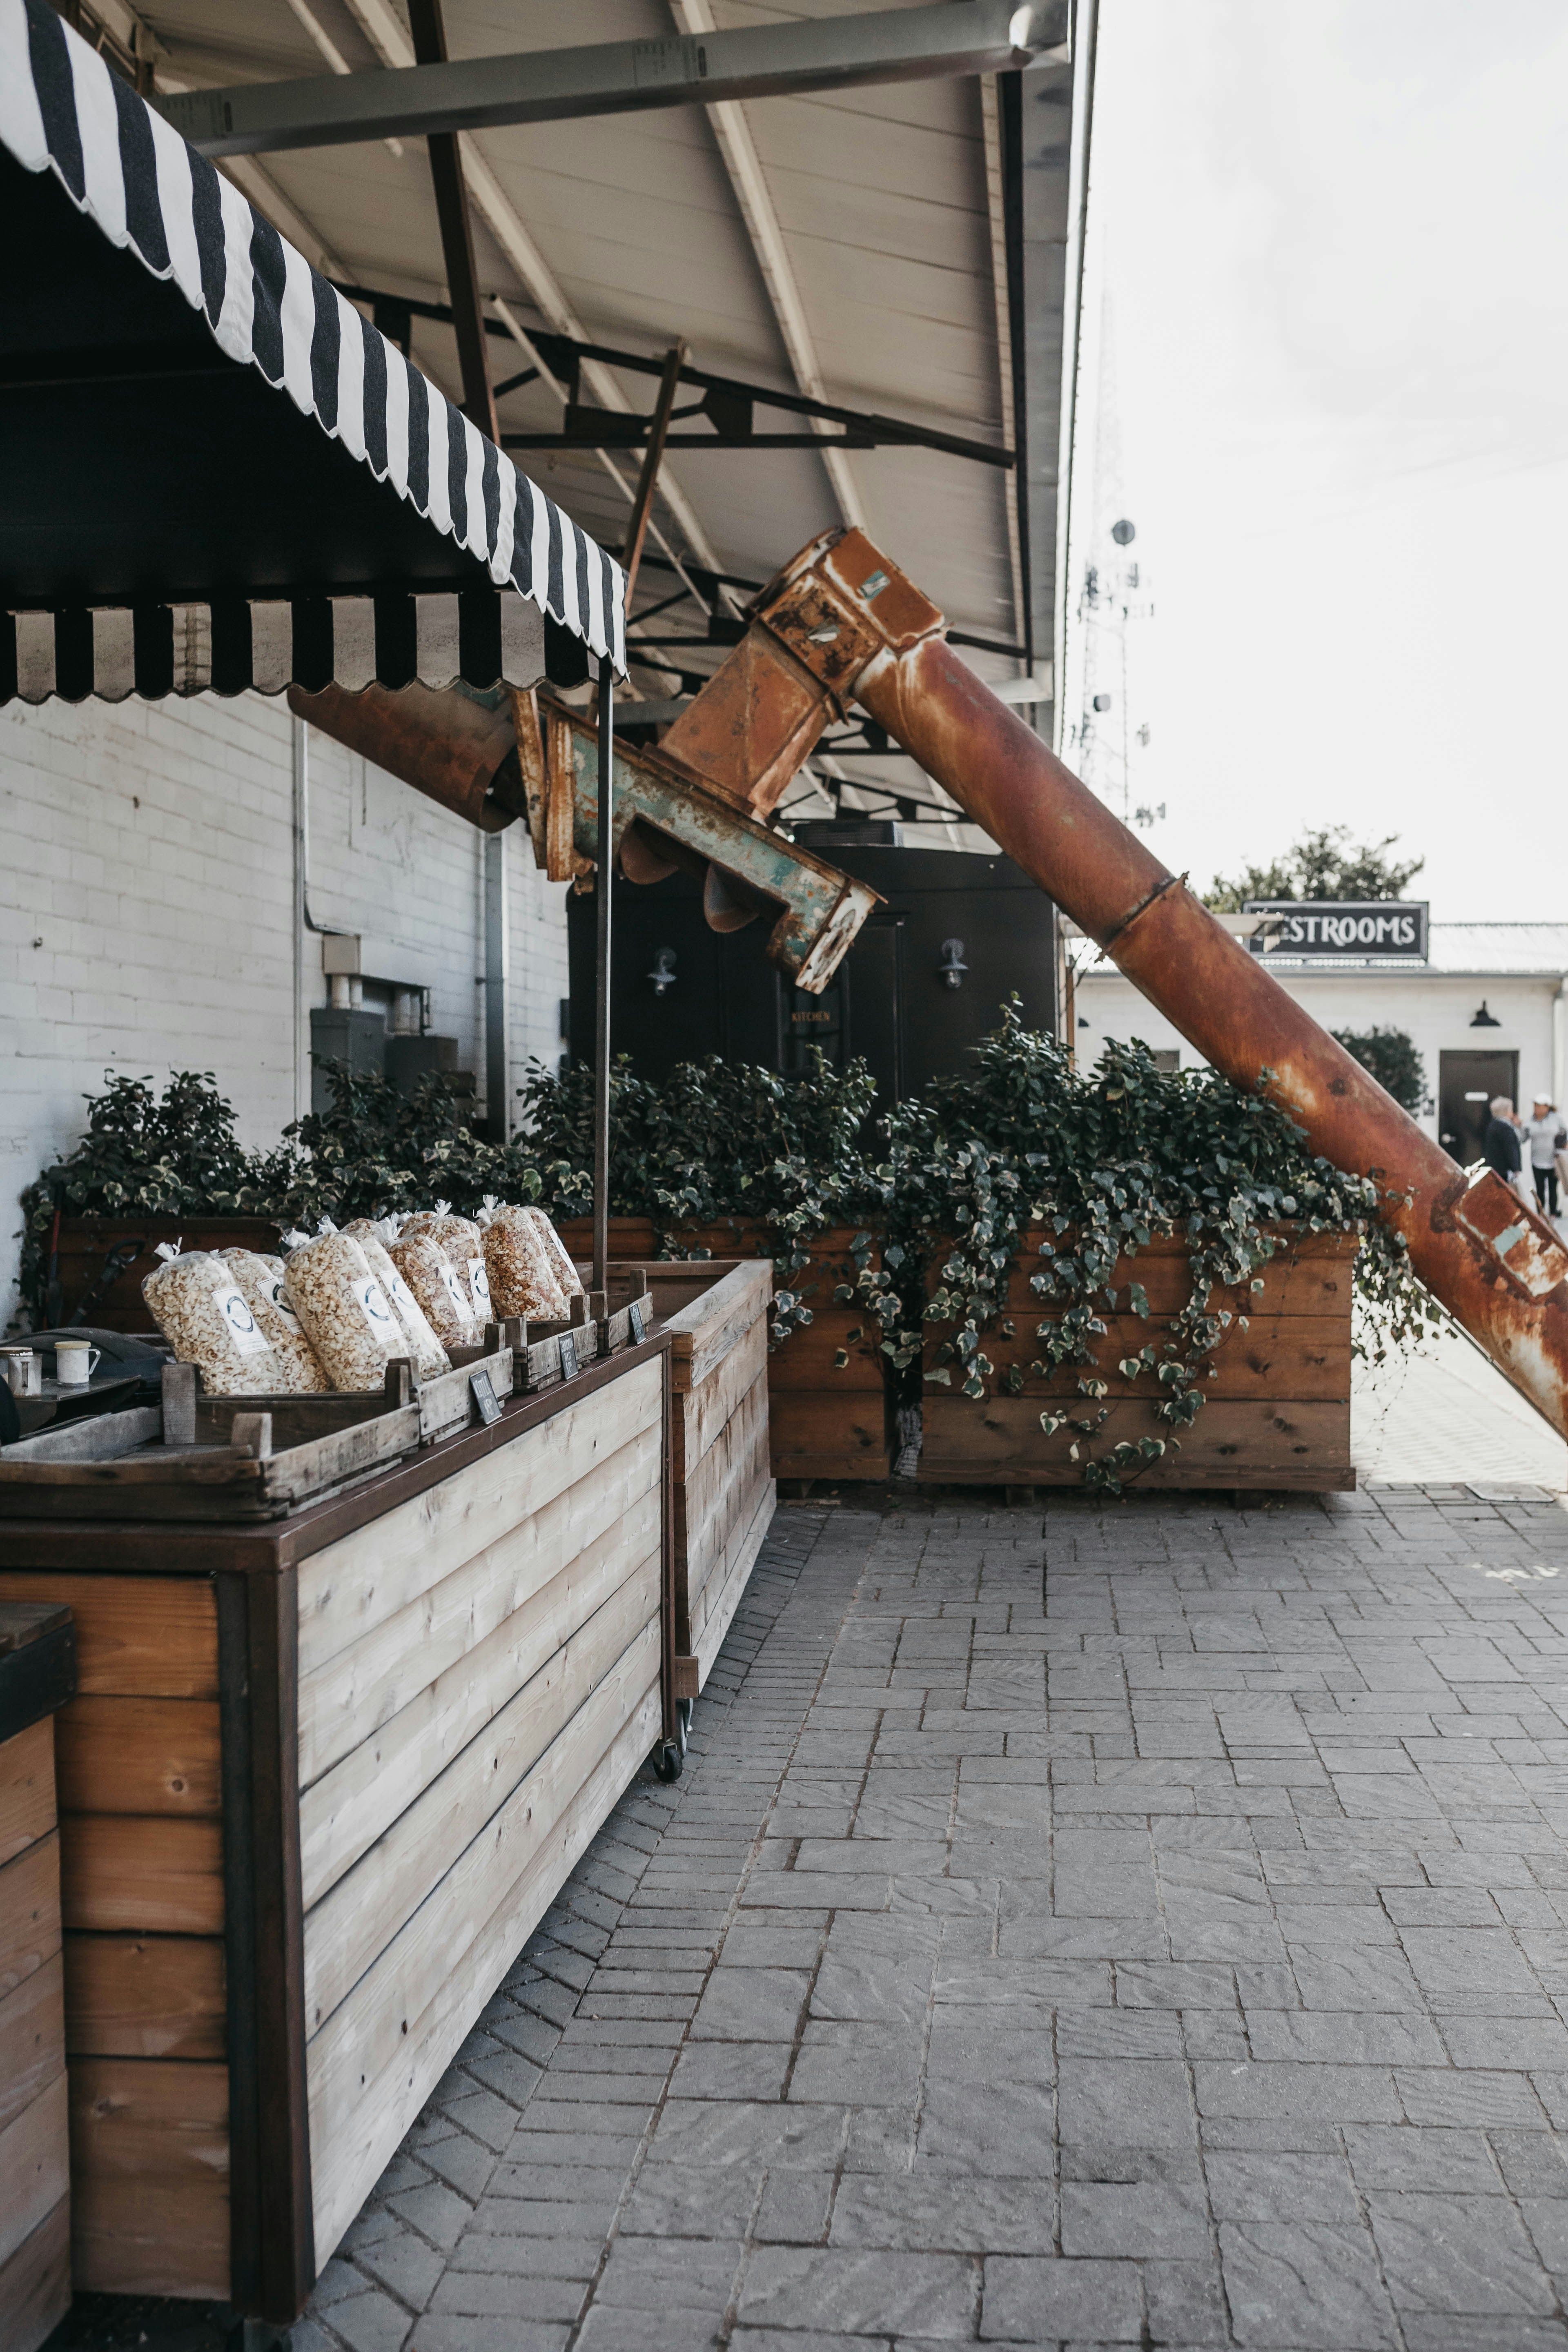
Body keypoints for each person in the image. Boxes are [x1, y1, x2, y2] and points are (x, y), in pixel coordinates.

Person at [1522, 1095, 1567, 1216]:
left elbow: (1564, 1133)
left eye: (1539, 1106)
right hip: (1537, 1160)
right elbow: (1523, 1138)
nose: (1536, 1108)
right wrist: (1518, 1127)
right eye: (1535, 1105)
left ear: (1547, 1107)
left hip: (1553, 1161)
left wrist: (1564, 1144)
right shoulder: (1530, 1121)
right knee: (1540, 1189)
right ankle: (1541, 1214)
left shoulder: (1556, 1119)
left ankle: (1553, 1213)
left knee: (1553, 1189)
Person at [1483, 1096, 1523, 1190]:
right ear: (1506, 1111)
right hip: (1504, 1169)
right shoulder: (1505, 1128)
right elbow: (1511, 1149)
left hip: (1496, 1167)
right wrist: (1515, 1168)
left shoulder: (1494, 1125)